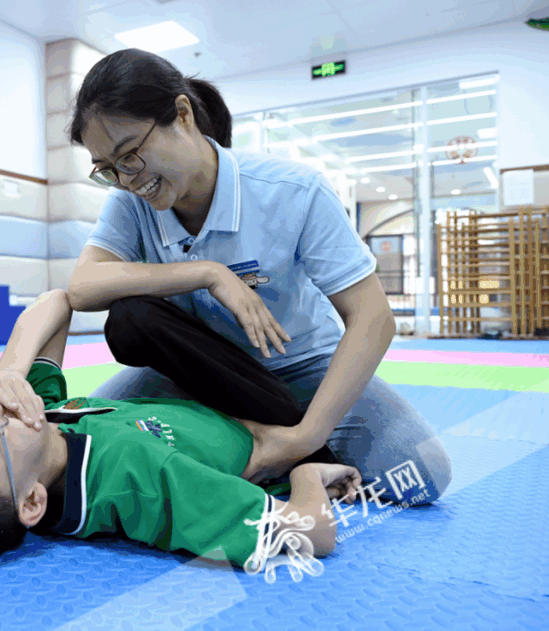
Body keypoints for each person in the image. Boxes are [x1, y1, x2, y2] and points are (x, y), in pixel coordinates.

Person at [64, 48, 451, 502]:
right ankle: (261, 447)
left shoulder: (292, 191)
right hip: (198, 373)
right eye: (108, 169)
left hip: (305, 368)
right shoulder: (131, 203)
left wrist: (306, 436)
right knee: (82, 444)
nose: (128, 179)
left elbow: (373, 317)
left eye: (130, 153)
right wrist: (208, 273)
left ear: (182, 114)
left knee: (422, 471)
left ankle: (275, 448)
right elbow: (82, 287)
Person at [0, 289, 364, 579]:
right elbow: (311, 533)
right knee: (136, 317)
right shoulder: (142, 483)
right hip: (263, 418)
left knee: (132, 318)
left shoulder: (44, 422)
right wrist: (309, 473)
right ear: (32, 504)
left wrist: (9, 370)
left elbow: (56, 303)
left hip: (184, 401)